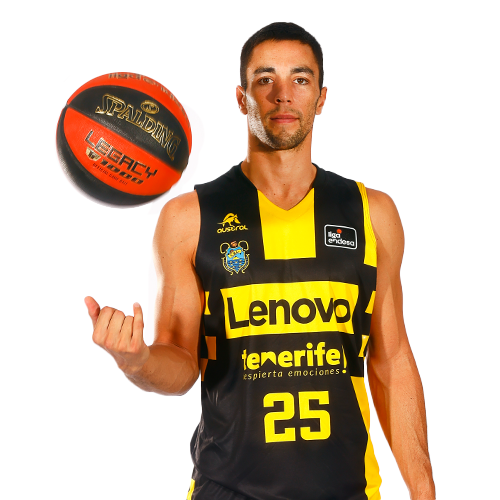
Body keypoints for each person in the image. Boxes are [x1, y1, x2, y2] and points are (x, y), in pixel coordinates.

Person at [85, 22, 436, 500]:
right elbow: (182, 363)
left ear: (322, 97)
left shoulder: (371, 213)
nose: (282, 94)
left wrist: (424, 489)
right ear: (241, 97)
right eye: (265, 78)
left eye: (300, 79)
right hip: (227, 489)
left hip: (348, 489)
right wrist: (137, 360)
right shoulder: (190, 218)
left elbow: (391, 359)